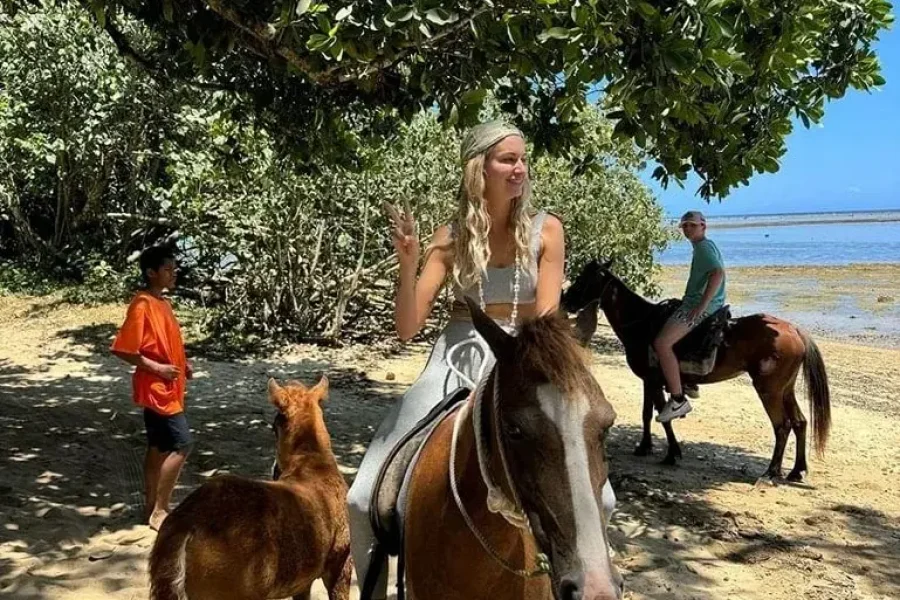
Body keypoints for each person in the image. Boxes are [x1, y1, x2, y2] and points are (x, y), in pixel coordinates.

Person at [346, 120, 596, 598]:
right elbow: (407, 327)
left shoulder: (547, 232)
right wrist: (408, 260)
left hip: (522, 358)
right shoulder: (449, 237)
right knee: (360, 500)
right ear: (479, 168)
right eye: (508, 160)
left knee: (598, 498)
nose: (519, 169)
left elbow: (544, 324)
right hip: (452, 360)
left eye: (523, 159)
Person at [111, 245, 193, 531]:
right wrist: (158, 368)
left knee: (158, 447)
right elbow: (124, 350)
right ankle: (160, 509)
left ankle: (149, 507)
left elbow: (166, 345)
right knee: (182, 445)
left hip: (169, 387)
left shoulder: (163, 304)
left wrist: (185, 363)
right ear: (151, 272)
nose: (174, 274)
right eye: (168, 270)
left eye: (174, 269)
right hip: (157, 389)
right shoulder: (142, 304)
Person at [654, 210, 726, 423]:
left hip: (698, 306)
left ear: (703, 226)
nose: (687, 229)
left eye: (692, 225)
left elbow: (718, 273)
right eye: (685, 226)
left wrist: (701, 305)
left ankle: (677, 399)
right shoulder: (705, 245)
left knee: (662, 344)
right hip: (701, 303)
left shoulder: (703, 248)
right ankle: (687, 379)